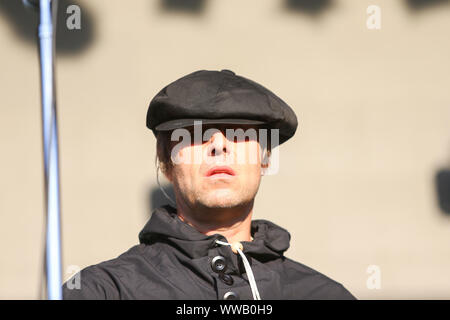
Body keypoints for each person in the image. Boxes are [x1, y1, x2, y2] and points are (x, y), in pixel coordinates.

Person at [62, 69, 356, 300]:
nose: (219, 145)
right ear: (166, 160)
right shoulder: (101, 292)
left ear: (264, 159)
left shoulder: (323, 295)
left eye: (238, 132)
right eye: (195, 133)